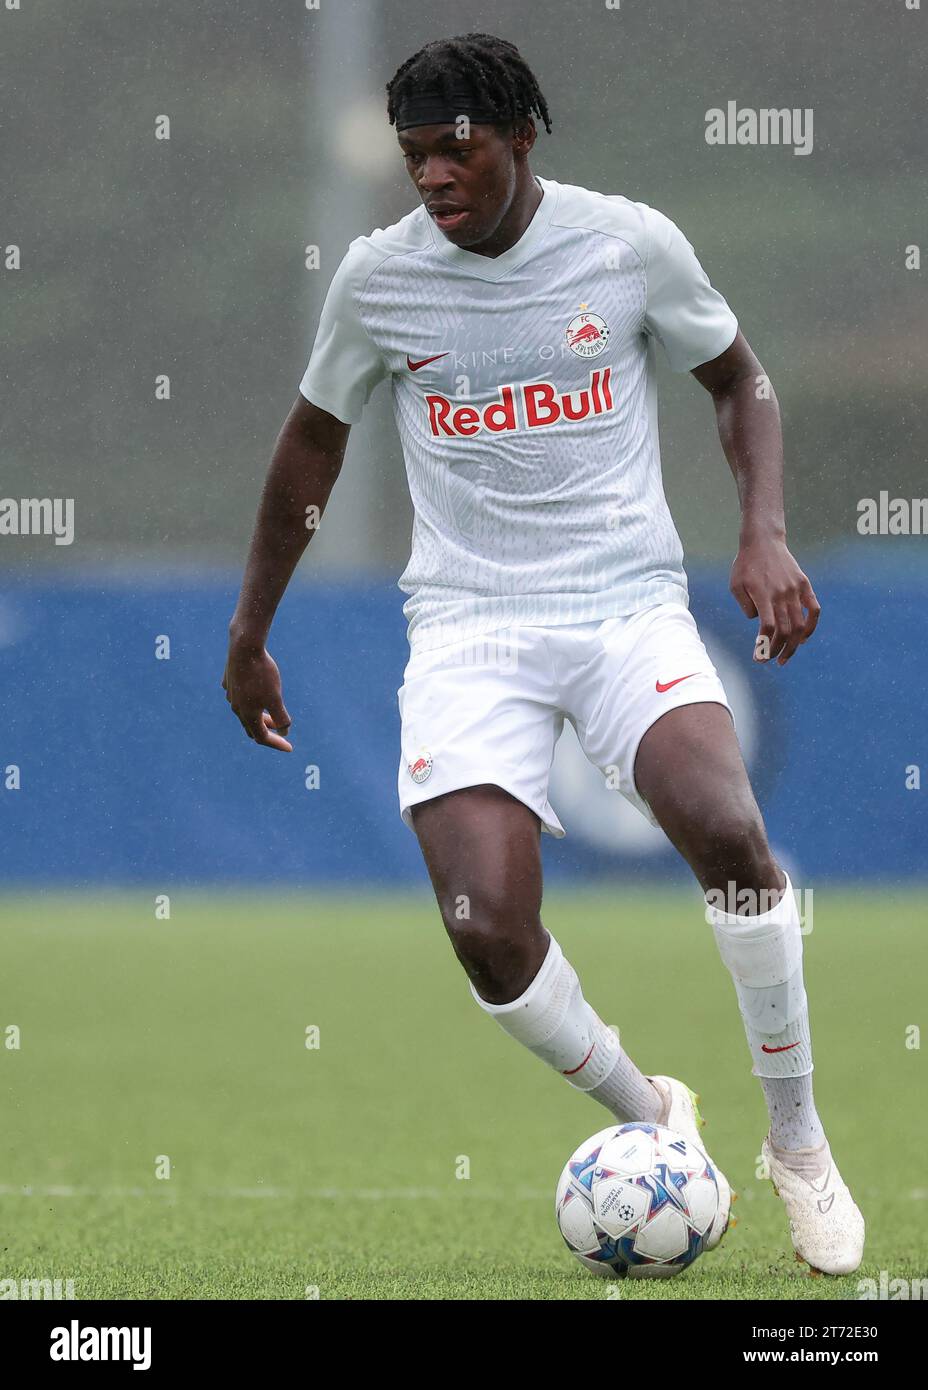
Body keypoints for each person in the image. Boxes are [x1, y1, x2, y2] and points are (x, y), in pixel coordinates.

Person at [223, 32, 863, 1275]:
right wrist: (250, 633)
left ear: (519, 134)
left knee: (726, 828)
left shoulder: (626, 243)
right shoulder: (377, 281)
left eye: (454, 147)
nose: (433, 177)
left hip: (623, 603)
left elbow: (739, 382)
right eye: (413, 157)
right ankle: (652, 1119)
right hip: (467, 626)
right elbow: (310, 448)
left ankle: (796, 1139)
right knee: (484, 925)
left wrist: (764, 534)